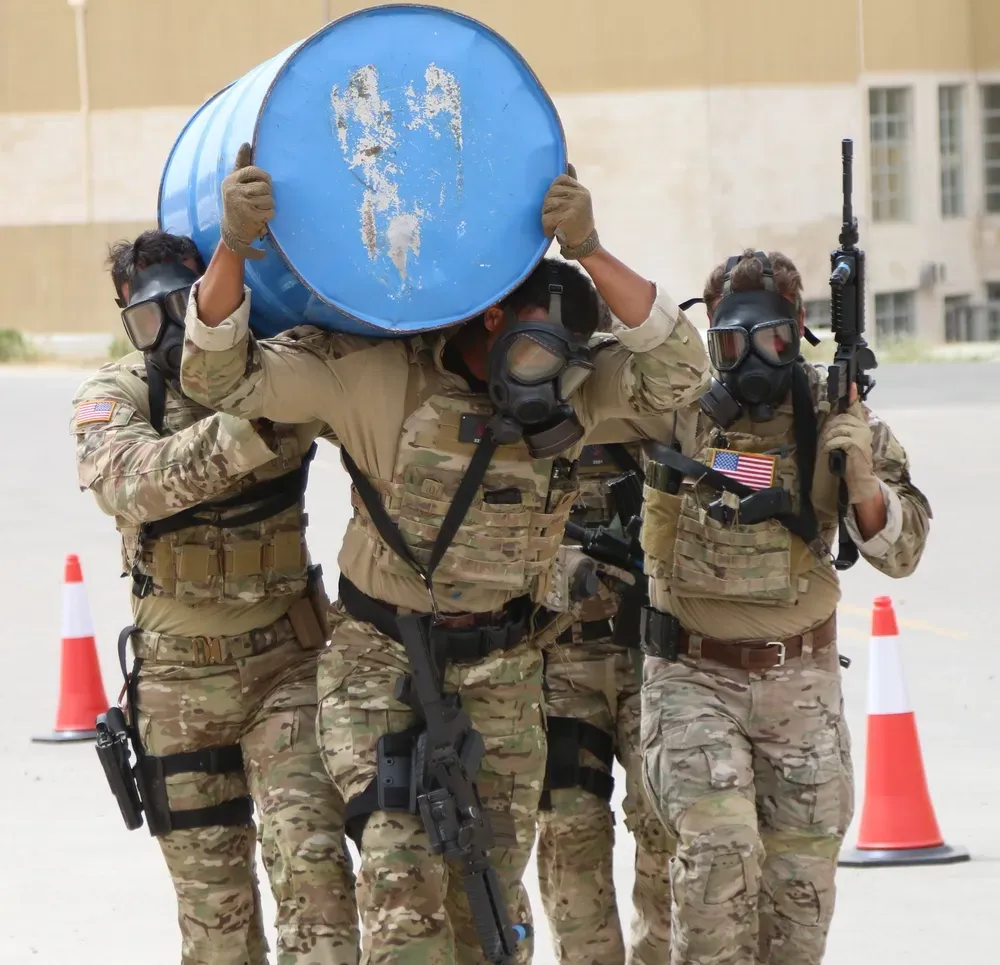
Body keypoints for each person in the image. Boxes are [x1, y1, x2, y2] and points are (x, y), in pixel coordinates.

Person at [178, 144, 710, 965]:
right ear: (492, 320)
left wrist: (589, 248)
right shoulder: (377, 379)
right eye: (536, 354)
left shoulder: (570, 388)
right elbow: (220, 378)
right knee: (401, 891)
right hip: (379, 665)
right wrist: (233, 247)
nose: (547, 380)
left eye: (565, 363)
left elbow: (681, 370)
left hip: (504, 670)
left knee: (489, 908)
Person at [72, 229, 359, 965]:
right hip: (178, 688)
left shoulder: (277, 369)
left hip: (286, 669)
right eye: (146, 319)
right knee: (215, 921)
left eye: (182, 305)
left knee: (316, 873)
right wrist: (252, 426)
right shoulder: (118, 393)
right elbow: (131, 482)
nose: (168, 330)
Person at [638, 249, 932, 965]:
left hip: (801, 689)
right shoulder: (681, 414)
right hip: (693, 677)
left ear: (796, 332)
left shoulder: (836, 413)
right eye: (729, 345)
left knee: (798, 917)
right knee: (717, 852)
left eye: (766, 340)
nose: (748, 361)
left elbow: (904, 551)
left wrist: (860, 478)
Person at [533, 423, 677, 965]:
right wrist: (562, 570)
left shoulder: (657, 407)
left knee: (666, 830)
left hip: (655, 659)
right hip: (562, 666)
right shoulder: (524, 404)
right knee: (571, 836)